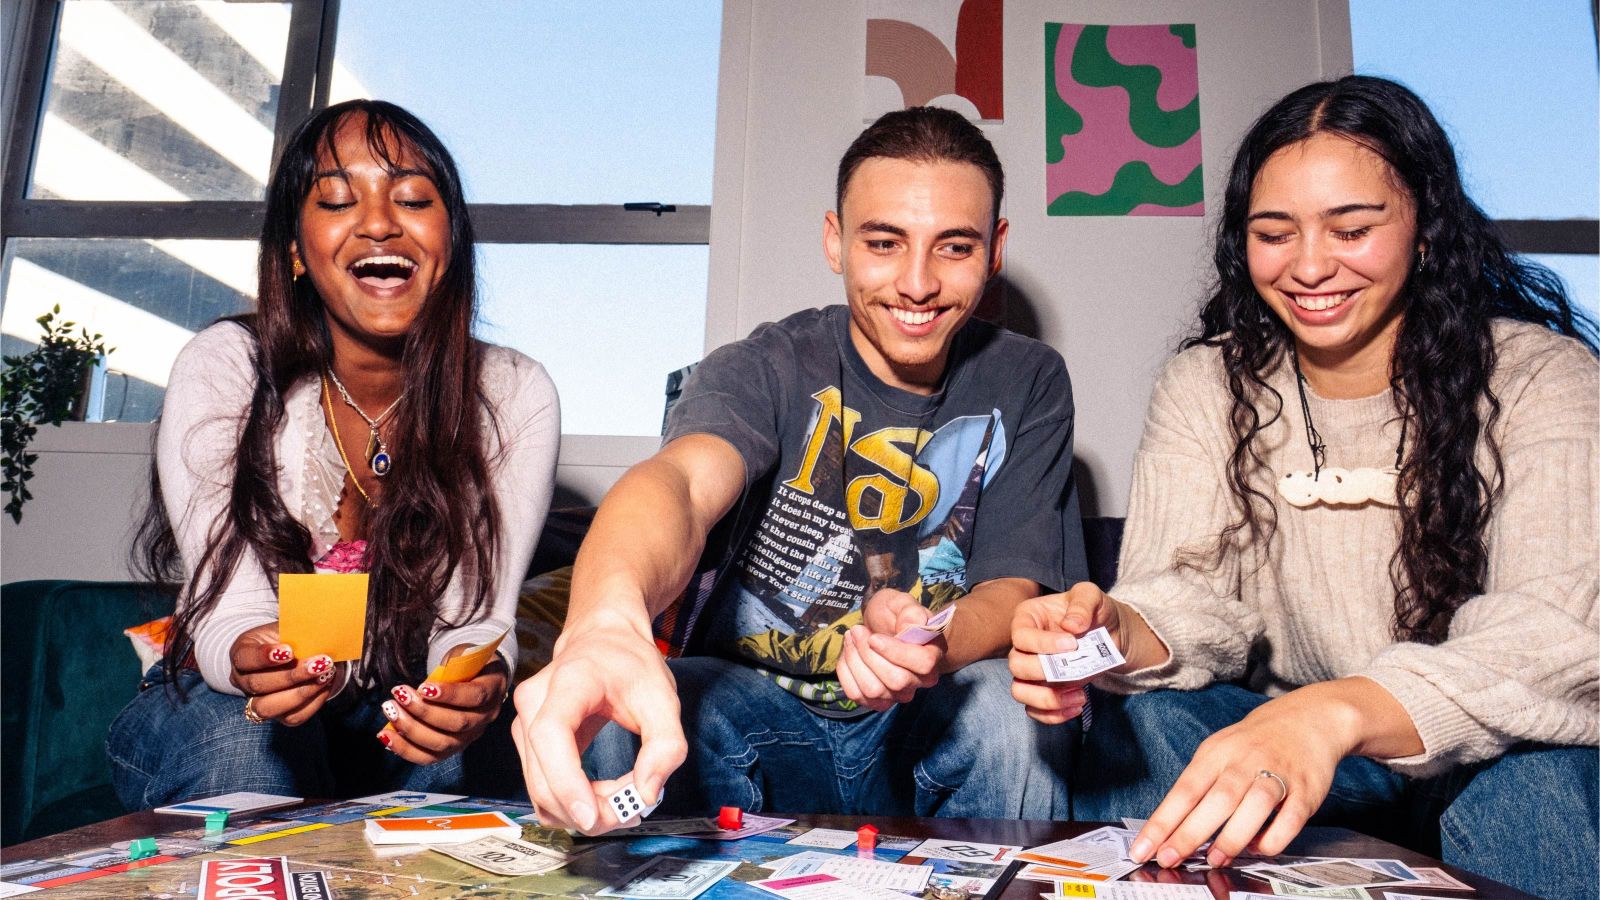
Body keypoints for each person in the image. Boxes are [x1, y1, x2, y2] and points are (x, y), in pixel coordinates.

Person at [1008, 75, 1597, 898]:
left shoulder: (1545, 378)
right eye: (1274, 233)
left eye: (1352, 228)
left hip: (1488, 754)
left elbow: (1553, 641)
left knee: (1535, 784)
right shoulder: (1206, 385)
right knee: (1148, 724)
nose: (1310, 266)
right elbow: (1192, 598)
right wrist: (1111, 628)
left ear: (1426, 226)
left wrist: (1334, 712)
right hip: (1307, 757)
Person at [514, 106, 1084, 832]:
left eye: (954, 248)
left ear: (995, 248)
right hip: (753, 709)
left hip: (924, 714)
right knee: (627, 713)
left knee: (1012, 714)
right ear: (835, 241)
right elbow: (681, 486)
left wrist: (928, 642)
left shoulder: (1028, 378)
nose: (917, 283)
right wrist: (602, 621)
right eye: (884, 242)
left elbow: (1013, 585)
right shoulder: (766, 364)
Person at [107, 100, 560, 808]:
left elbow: (474, 621)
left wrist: (471, 688)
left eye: (412, 197)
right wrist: (254, 654)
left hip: (392, 706)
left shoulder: (511, 393)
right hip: (222, 703)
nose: (380, 222)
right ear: (295, 247)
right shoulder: (229, 367)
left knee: (488, 758)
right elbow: (230, 611)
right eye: (338, 200)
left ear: (451, 239)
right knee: (240, 737)